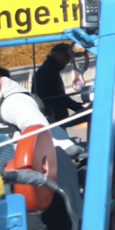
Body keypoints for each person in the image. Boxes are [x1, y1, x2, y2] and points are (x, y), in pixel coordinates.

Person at [1, 67, 84, 230]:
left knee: (58, 222)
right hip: (36, 170)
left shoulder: (14, 102)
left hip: (46, 169)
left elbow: (40, 138)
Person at [32, 44, 87, 124]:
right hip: (52, 116)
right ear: (56, 55)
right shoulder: (48, 71)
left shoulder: (49, 69)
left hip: (51, 115)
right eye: (66, 56)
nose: (69, 60)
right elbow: (57, 97)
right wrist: (78, 107)